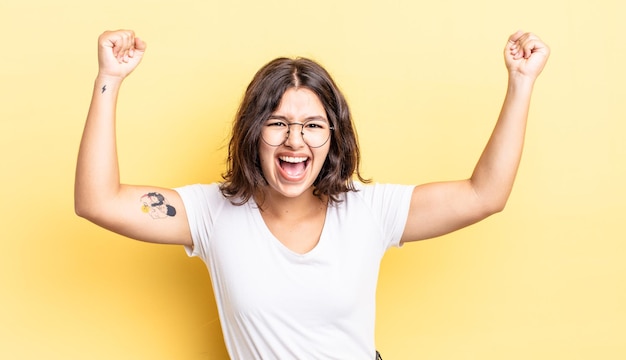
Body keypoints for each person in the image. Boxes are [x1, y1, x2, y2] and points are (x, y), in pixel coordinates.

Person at [75, 29, 549, 359]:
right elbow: (98, 200)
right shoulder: (210, 213)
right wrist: (109, 79)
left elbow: (485, 193)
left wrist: (521, 84)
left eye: (312, 126)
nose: (295, 141)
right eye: (277, 123)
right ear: (252, 132)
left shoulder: (370, 211)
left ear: (333, 136)